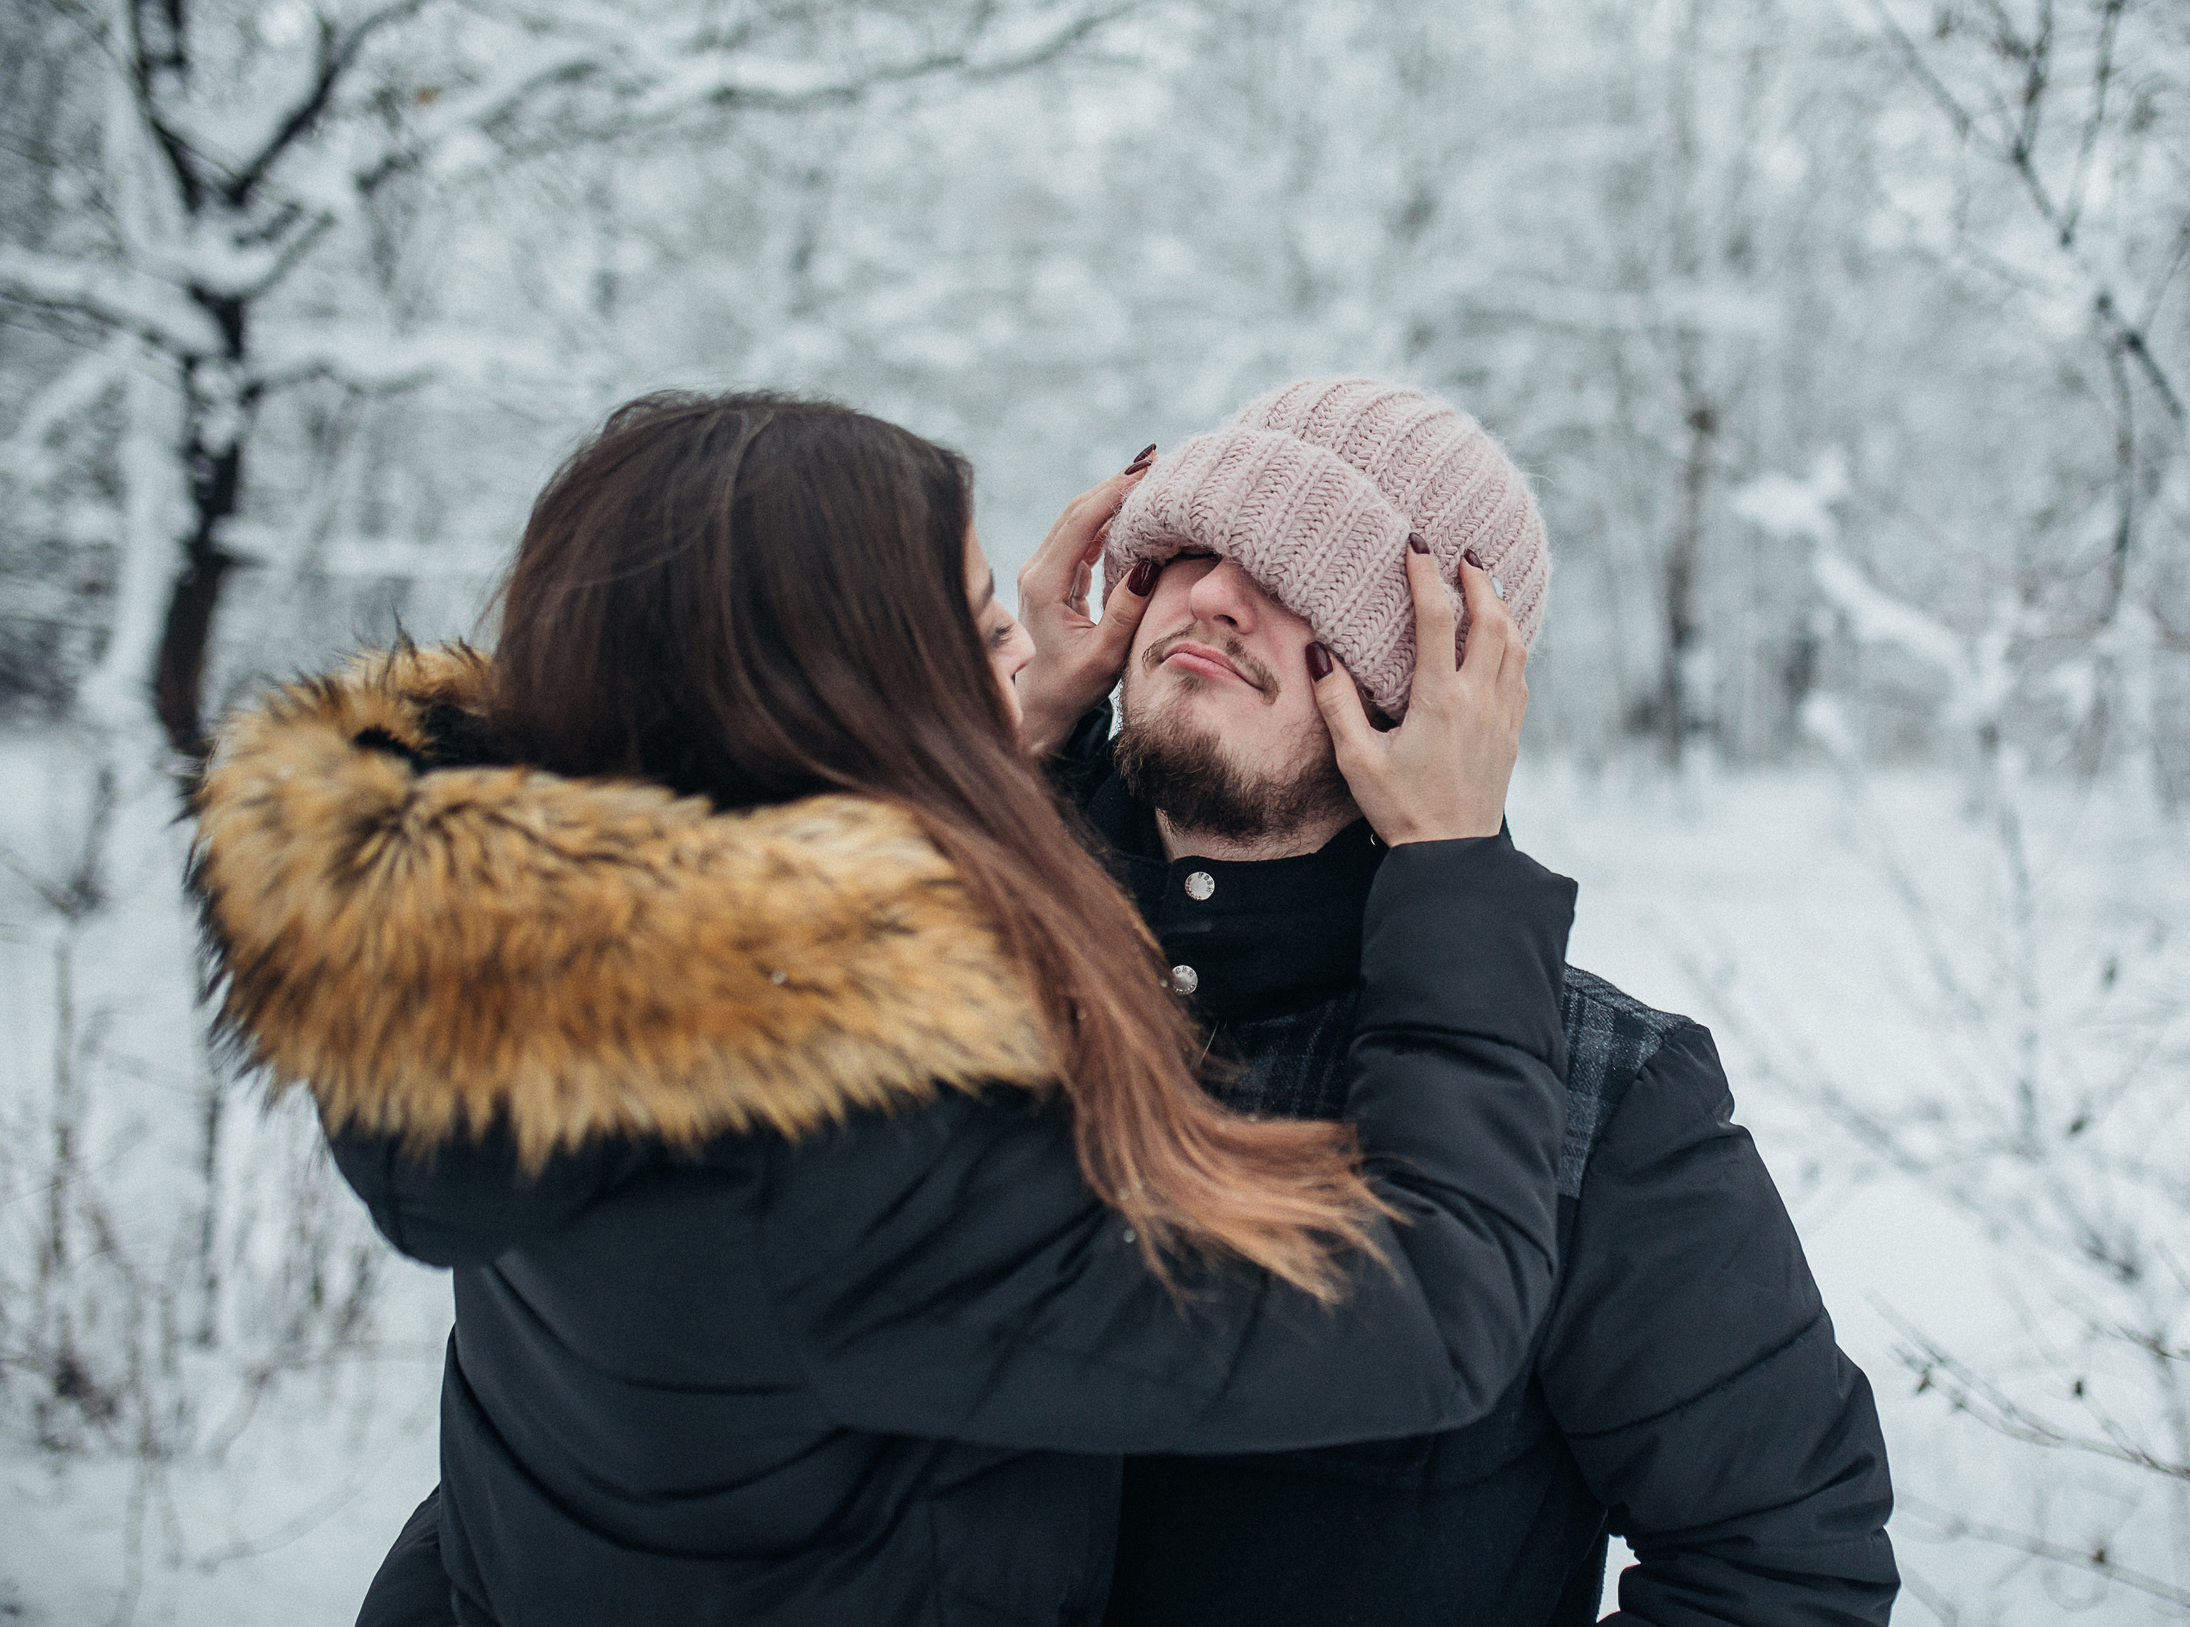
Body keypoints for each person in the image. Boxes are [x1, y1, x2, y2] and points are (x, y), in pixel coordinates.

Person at [185, 390, 1580, 1627]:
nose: (1039, 669)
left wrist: (1006, 761)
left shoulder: (547, 976)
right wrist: (1457, 867)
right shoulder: (840, 1152)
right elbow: (1436, 1315)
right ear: (831, 708)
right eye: (981, 639)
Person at [1011, 376, 1900, 1627]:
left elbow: (1786, 1572)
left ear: (1430, 684)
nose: (1212, 591)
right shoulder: (955, 966)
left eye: (1295, 575)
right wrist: (1000, 776)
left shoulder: (1603, 1095)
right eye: (1189, 547)